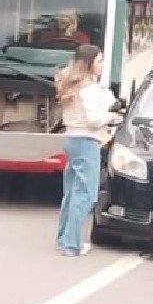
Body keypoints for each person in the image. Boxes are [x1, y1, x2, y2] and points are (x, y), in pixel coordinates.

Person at [54, 44, 120, 256]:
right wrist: (112, 116)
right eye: (99, 61)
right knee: (86, 195)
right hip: (87, 142)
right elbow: (94, 120)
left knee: (72, 192)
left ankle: (64, 237)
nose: (101, 65)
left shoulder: (72, 85)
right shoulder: (89, 89)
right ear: (89, 64)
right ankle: (72, 244)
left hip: (72, 139)